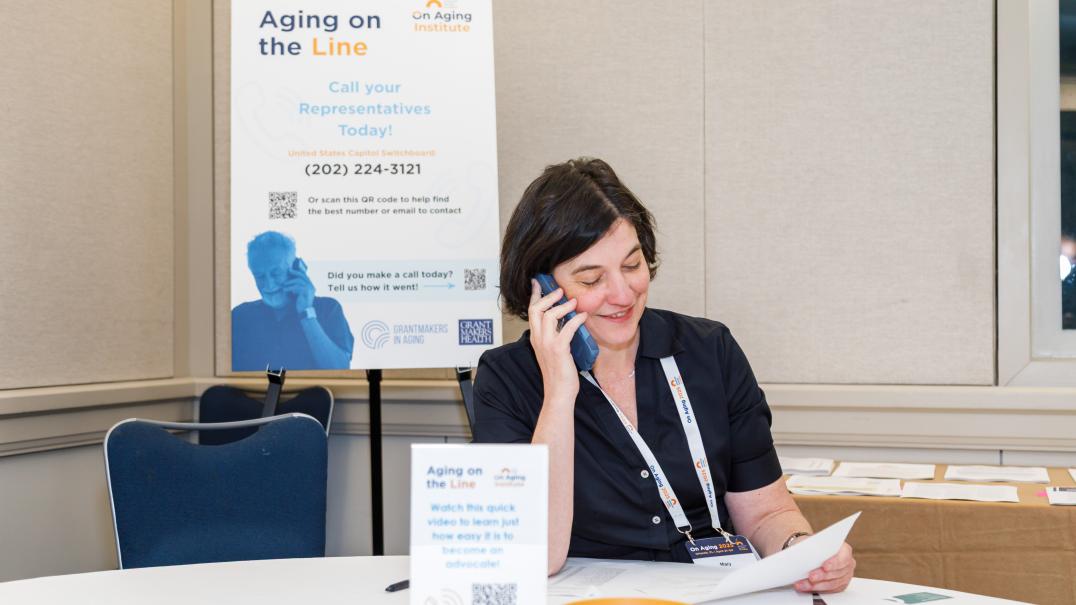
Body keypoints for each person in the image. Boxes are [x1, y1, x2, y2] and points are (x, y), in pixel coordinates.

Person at [471, 158, 855, 593]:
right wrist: (560, 391)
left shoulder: (710, 351)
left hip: (713, 593)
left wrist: (802, 550)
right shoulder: (506, 380)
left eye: (632, 265)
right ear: (542, 290)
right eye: (592, 278)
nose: (622, 293)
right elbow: (535, 555)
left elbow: (766, 514)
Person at [232, 231, 354, 371]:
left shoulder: (328, 308)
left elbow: (339, 370)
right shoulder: (240, 316)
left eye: (276, 273)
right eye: (260, 276)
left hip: (313, 393)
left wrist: (307, 313)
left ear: (297, 268)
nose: (269, 284)